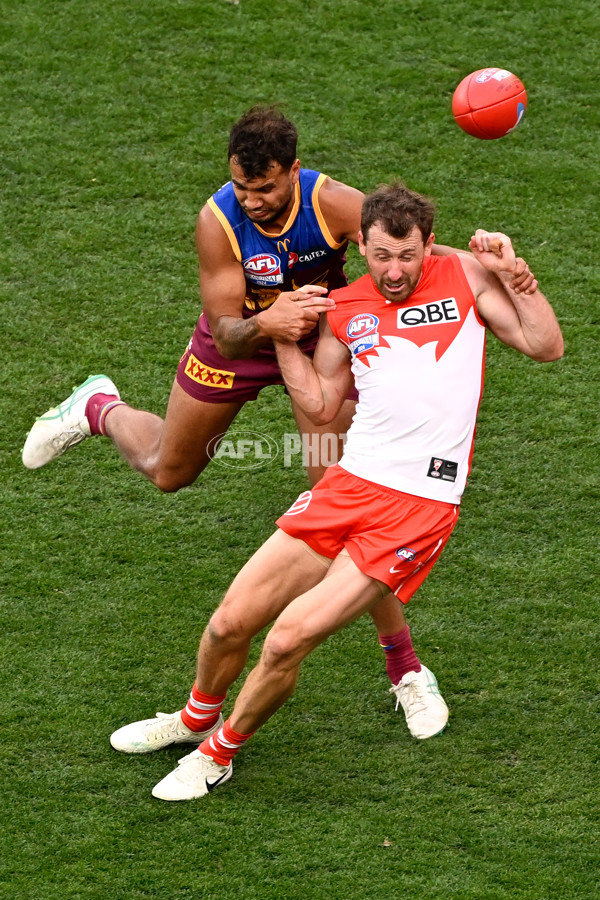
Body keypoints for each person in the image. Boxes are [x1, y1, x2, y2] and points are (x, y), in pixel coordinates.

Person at [21, 108, 534, 737]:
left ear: (294, 170)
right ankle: (98, 406)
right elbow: (227, 330)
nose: (253, 201)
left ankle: (404, 669)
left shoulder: (332, 202)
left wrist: (492, 265)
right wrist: (269, 322)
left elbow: (410, 249)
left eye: (265, 189)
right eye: (243, 188)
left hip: (327, 348)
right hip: (242, 340)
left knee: (350, 511)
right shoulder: (218, 224)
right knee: (166, 471)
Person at [108, 182, 563, 801]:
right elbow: (321, 406)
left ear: (429, 245)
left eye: (407, 256)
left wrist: (518, 276)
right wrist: (281, 336)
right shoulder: (344, 309)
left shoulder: (466, 274)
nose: (395, 271)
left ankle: (218, 754)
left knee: (288, 637)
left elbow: (545, 345)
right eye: (381, 256)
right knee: (227, 623)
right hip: (349, 485)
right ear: (362, 245)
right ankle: (194, 720)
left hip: (419, 506)